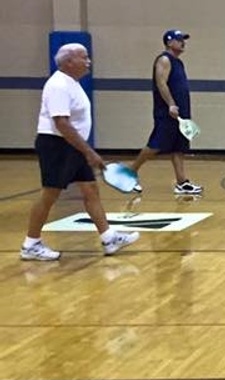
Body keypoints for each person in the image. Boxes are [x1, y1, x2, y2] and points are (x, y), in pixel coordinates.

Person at [21, 44, 140, 260]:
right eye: (84, 58)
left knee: (91, 189)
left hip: (72, 146)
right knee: (50, 195)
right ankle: (31, 244)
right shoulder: (58, 85)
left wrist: (83, 150)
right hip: (57, 146)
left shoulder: (72, 83)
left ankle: (108, 237)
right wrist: (89, 152)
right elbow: (61, 124)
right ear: (68, 62)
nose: (89, 61)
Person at [128, 29, 202, 195]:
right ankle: (130, 173)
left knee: (178, 147)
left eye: (183, 39)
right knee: (156, 144)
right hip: (168, 111)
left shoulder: (178, 62)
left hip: (180, 111)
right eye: (179, 39)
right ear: (169, 42)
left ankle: (182, 182)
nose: (183, 42)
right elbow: (162, 83)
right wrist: (171, 104)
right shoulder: (164, 60)